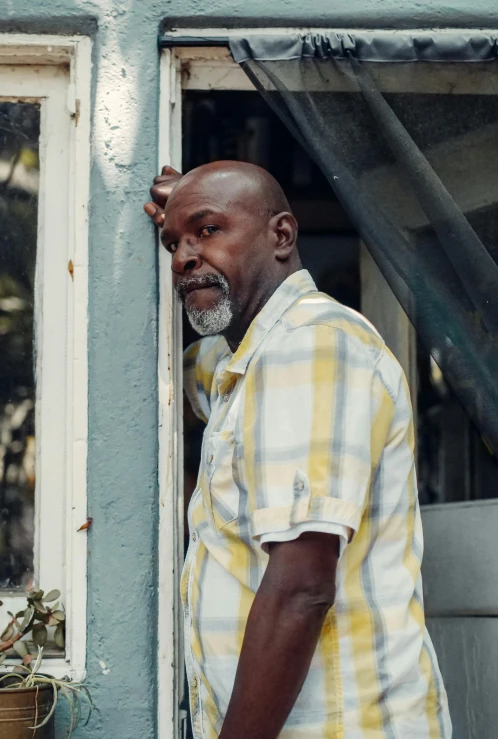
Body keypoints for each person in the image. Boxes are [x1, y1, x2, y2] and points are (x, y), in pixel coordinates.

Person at [144, 162, 452, 739]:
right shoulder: (250, 362)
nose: (183, 257)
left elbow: (302, 586)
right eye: (173, 243)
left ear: (281, 236)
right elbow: (185, 380)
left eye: (208, 230)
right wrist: (192, 208)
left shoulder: (310, 347)